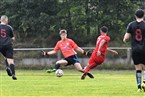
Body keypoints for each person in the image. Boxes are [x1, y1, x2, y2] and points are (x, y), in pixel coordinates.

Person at [123, 9, 145, 92]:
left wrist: (126, 40)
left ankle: (139, 86)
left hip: (135, 49)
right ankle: (144, 82)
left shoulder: (131, 25)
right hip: (144, 48)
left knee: (138, 68)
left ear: (135, 16)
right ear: (143, 15)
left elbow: (126, 38)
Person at [0, 15, 17, 80]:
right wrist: (10, 41)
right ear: (6, 20)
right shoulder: (9, 27)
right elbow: (13, 38)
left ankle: (7, 67)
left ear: (0, 20)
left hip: (0, 45)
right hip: (8, 45)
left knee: (5, 57)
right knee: (10, 60)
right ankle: (13, 74)